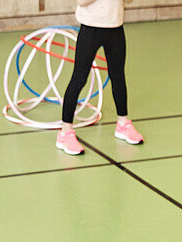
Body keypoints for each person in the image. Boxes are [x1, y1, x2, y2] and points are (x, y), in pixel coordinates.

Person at [55, 0, 143, 155]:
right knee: (79, 79)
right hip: (91, 29)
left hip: (115, 28)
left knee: (118, 77)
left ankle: (123, 123)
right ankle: (65, 132)